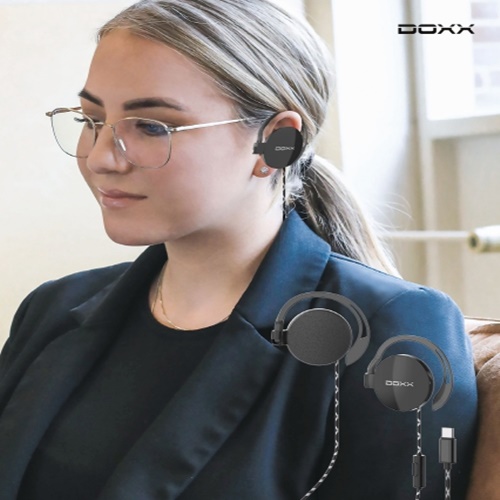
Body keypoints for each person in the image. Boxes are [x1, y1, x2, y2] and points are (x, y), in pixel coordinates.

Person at [0, 1, 477, 499]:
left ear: (276, 142)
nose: (101, 158)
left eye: (152, 126)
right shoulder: (51, 311)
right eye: (92, 119)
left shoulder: (391, 329)